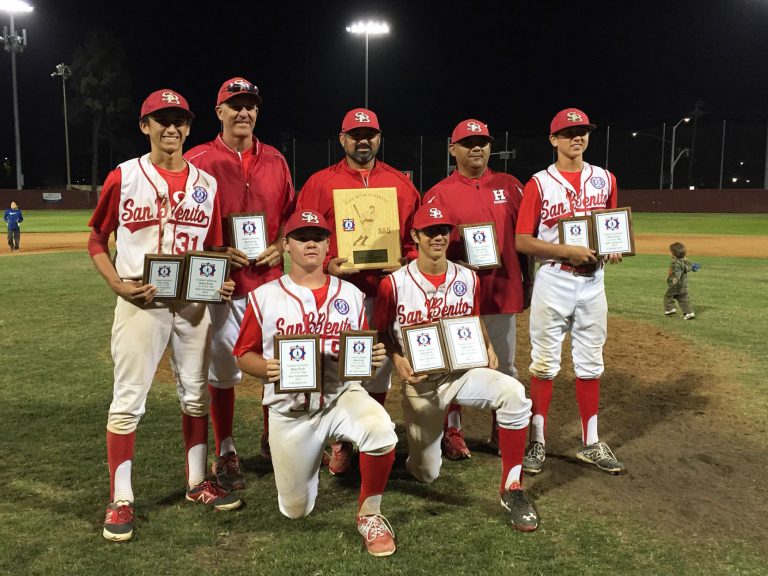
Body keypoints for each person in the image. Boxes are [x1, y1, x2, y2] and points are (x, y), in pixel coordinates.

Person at [88, 89, 242, 543]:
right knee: (128, 398)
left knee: (195, 394)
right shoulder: (124, 176)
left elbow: (213, 249)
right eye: (161, 119)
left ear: (189, 127)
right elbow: (97, 238)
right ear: (145, 126)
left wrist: (221, 281)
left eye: (178, 120)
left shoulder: (206, 183)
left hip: (192, 303)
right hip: (141, 300)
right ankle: (121, 498)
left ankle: (197, 482)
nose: (171, 127)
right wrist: (117, 284)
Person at [233, 209, 398, 556]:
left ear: (327, 246)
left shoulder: (350, 294)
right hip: (290, 412)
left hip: (340, 397)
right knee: (295, 509)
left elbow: (358, 355)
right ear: (286, 245)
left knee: (381, 430)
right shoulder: (265, 296)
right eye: (302, 238)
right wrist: (269, 369)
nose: (311, 243)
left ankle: (370, 514)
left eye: (318, 238)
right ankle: (310, 463)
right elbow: (243, 354)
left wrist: (369, 359)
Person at [374, 204, 538, 532]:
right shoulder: (393, 284)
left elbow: (473, 316)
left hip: (462, 373)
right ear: (415, 236)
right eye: (430, 231)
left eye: (443, 231)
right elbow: (381, 331)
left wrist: (487, 345)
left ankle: (512, 487)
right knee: (426, 472)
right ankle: (418, 451)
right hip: (422, 383)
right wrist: (397, 359)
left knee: (514, 394)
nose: (438, 237)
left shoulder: (468, 277)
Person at [297, 108, 420, 475]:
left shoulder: (400, 184)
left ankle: (370, 433)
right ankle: (340, 442)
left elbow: (416, 239)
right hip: (339, 294)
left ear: (379, 138)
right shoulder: (320, 183)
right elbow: (301, 237)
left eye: (369, 134)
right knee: (338, 365)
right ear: (342, 139)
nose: (362, 141)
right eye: (355, 135)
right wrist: (328, 262)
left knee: (379, 366)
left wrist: (405, 261)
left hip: (387, 292)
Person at [185, 77, 295, 487]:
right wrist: (214, 254)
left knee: (274, 367)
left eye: (250, 105)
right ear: (219, 112)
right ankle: (226, 450)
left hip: (269, 284)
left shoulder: (276, 160)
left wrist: (281, 245)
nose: (243, 112)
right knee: (222, 373)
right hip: (221, 287)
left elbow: (291, 215)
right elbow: (185, 226)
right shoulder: (197, 160)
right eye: (235, 105)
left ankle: (273, 439)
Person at [515, 107, 626, 476]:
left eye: (582, 131)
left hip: (593, 281)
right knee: (544, 364)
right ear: (554, 139)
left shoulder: (605, 179)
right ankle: (537, 439)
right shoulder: (539, 183)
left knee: (591, 363)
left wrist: (613, 246)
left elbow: (610, 227)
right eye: (568, 133)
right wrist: (566, 251)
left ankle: (591, 442)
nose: (577, 137)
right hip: (555, 279)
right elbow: (522, 241)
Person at [423, 119, 530, 460]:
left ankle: (502, 427)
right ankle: (453, 431)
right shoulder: (438, 193)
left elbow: (527, 239)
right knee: (454, 366)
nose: (477, 148)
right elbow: (427, 247)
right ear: (452, 149)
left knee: (505, 366)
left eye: (482, 142)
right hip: (455, 298)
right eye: (468, 142)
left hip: (502, 291)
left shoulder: (511, 186)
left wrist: (527, 285)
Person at [664, 242, 696, 320]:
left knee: (668, 296)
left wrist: (674, 281)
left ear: (674, 253)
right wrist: (693, 268)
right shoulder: (685, 261)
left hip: (676, 285)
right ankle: (689, 313)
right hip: (684, 285)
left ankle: (670, 309)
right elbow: (689, 267)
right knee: (683, 298)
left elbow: (677, 273)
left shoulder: (675, 263)